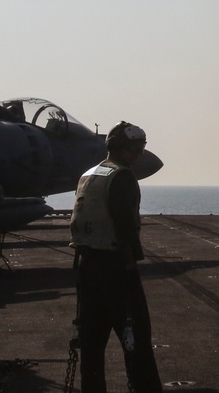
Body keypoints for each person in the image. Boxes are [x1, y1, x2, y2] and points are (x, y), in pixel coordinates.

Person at [70, 121, 162, 392]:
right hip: (115, 267)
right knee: (137, 338)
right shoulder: (121, 176)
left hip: (86, 267)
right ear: (125, 148)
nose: (140, 154)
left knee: (92, 343)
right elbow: (123, 223)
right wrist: (133, 261)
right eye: (137, 148)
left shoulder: (89, 174)